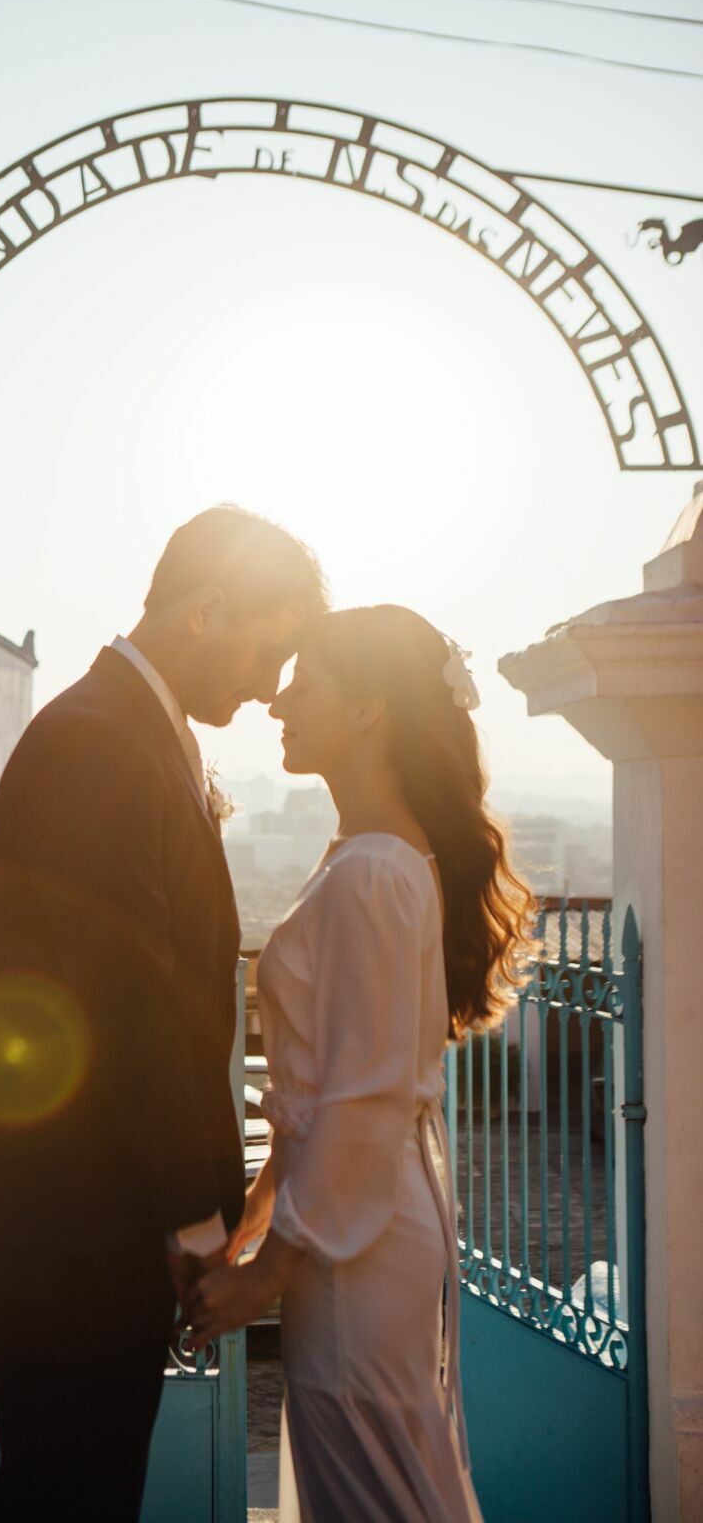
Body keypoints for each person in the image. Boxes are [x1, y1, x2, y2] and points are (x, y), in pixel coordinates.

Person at [0, 506, 327, 1521]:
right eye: (270, 649)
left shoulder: (131, 731)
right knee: (65, 1497)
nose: (271, 685)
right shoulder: (99, 741)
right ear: (206, 611)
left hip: (82, 1214)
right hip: (74, 1223)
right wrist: (198, 1226)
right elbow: (127, 1007)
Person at [190, 606, 534, 1523]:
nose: (278, 703)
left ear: (368, 709)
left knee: (377, 1496)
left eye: (304, 683)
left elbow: (363, 1101)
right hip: (361, 1228)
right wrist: (257, 1211)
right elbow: (323, 1093)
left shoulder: (373, 872)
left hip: (359, 1246)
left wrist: (265, 1274)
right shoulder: (371, 857)